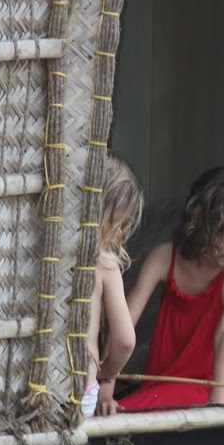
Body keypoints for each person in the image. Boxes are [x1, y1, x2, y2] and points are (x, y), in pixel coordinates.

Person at [116, 163, 224, 412]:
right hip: (160, 386)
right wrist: (106, 387)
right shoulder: (164, 258)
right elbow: (124, 325)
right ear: (209, 221)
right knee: (112, 413)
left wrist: (217, 410)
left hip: (213, 389)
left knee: (124, 414)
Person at [80, 154, 144, 418]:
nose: (119, 233)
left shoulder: (51, 255)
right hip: (81, 390)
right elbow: (126, 340)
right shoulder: (104, 263)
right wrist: (108, 372)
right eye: (118, 223)